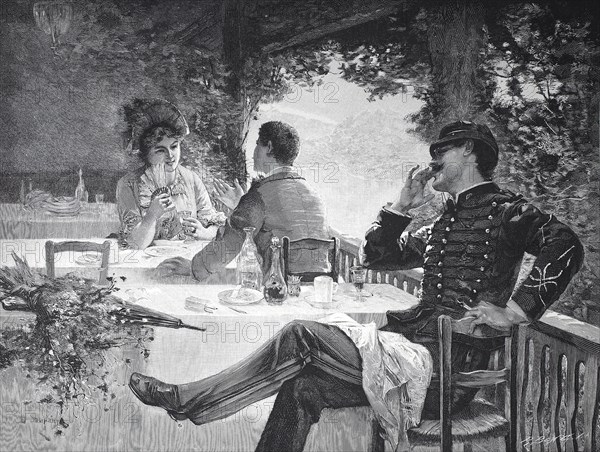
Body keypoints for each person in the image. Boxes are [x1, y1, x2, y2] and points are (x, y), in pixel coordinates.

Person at [129, 121, 583, 451]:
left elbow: (565, 244)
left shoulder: (506, 211)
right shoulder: (445, 221)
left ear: (467, 152)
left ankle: (190, 400)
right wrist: (402, 206)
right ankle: (198, 405)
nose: (432, 163)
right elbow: (377, 256)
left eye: (441, 152)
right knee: (302, 387)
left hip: (448, 370)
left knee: (302, 333)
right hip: (411, 355)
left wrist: (518, 312)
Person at [157, 121, 331, 280]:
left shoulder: (261, 192)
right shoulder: (313, 194)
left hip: (279, 286)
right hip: (322, 283)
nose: (253, 153)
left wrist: (194, 268)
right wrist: (240, 204)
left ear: (268, 147)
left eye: (257, 145)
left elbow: (230, 243)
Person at [116, 98, 226, 250]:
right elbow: (135, 243)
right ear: (146, 154)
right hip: (145, 263)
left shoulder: (191, 179)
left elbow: (215, 224)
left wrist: (205, 233)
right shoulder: (128, 184)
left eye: (174, 147)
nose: (171, 156)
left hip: (186, 259)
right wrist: (151, 215)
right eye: (161, 150)